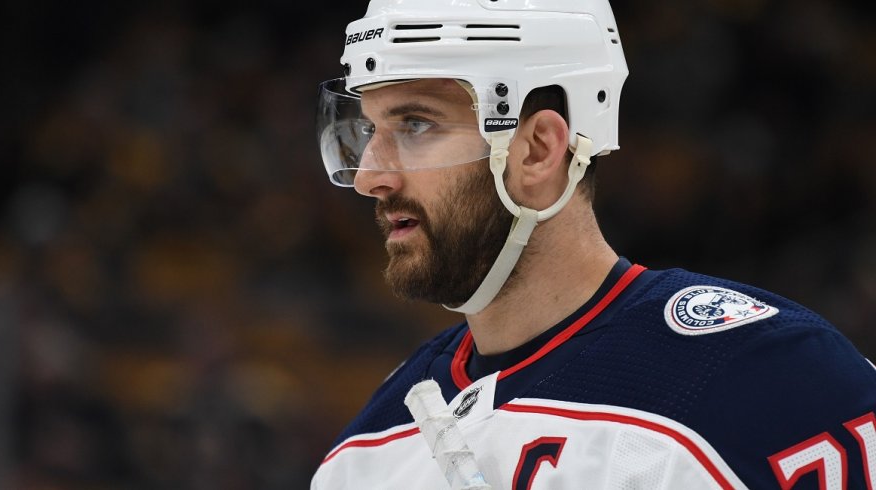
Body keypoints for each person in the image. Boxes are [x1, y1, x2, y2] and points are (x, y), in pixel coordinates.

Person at [311, 0, 876, 488]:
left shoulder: (767, 382)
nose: (370, 176)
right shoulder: (366, 452)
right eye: (368, 130)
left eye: (415, 125)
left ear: (537, 149)